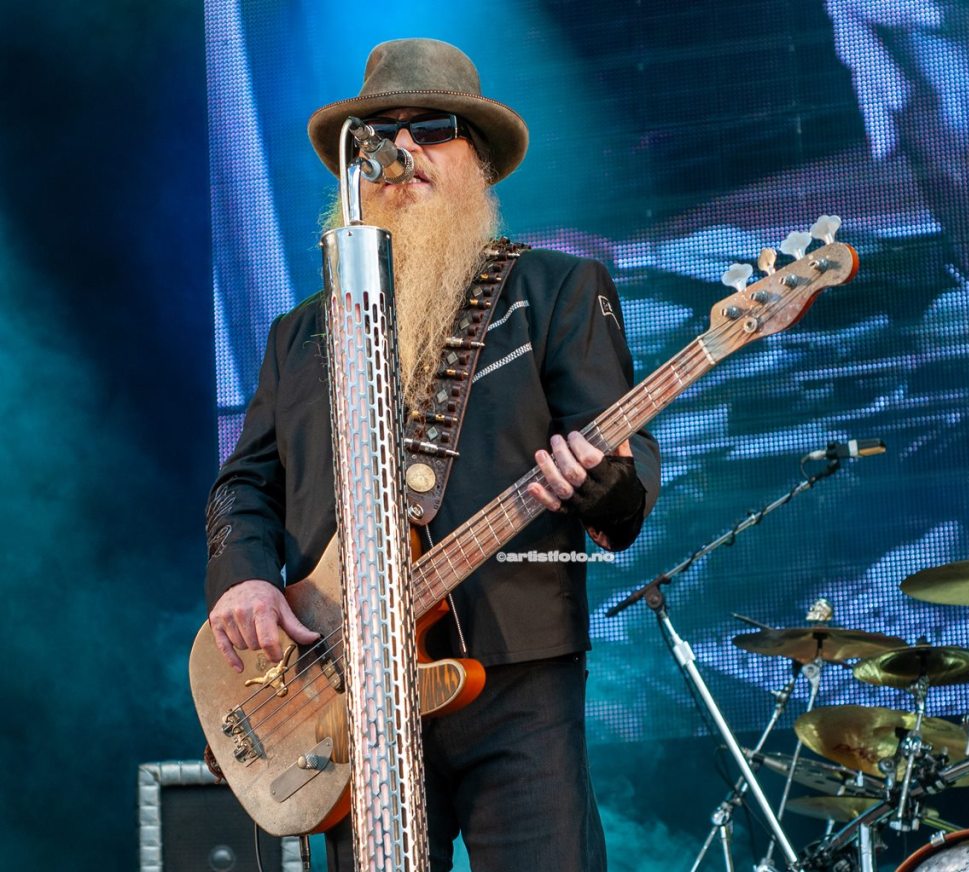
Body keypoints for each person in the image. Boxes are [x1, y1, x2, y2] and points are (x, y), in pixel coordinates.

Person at [204, 37, 660, 872]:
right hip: (343, 687)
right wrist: (242, 578)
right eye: (382, 133)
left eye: (433, 129)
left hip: (512, 670)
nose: (402, 150)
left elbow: (623, 491)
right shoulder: (300, 333)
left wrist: (597, 483)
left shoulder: (557, 290)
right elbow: (245, 484)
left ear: (478, 162)